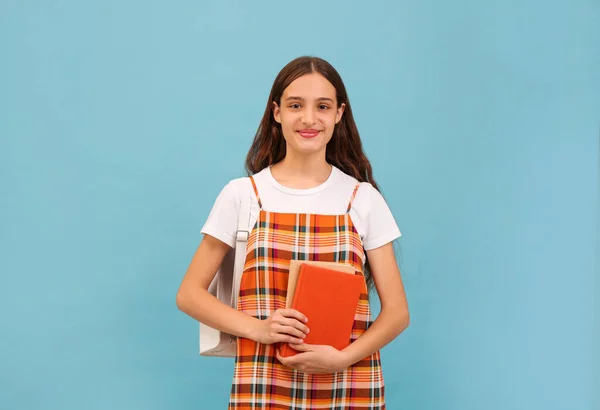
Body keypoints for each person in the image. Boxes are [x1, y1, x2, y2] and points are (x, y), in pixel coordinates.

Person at [176, 56, 410, 409]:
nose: (309, 118)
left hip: (349, 384)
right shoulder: (242, 195)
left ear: (339, 114)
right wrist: (258, 329)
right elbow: (189, 294)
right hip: (264, 382)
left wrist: (344, 358)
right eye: (295, 105)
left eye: (323, 106)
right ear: (277, 112)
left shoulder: (363, 199)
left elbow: (397, 312)